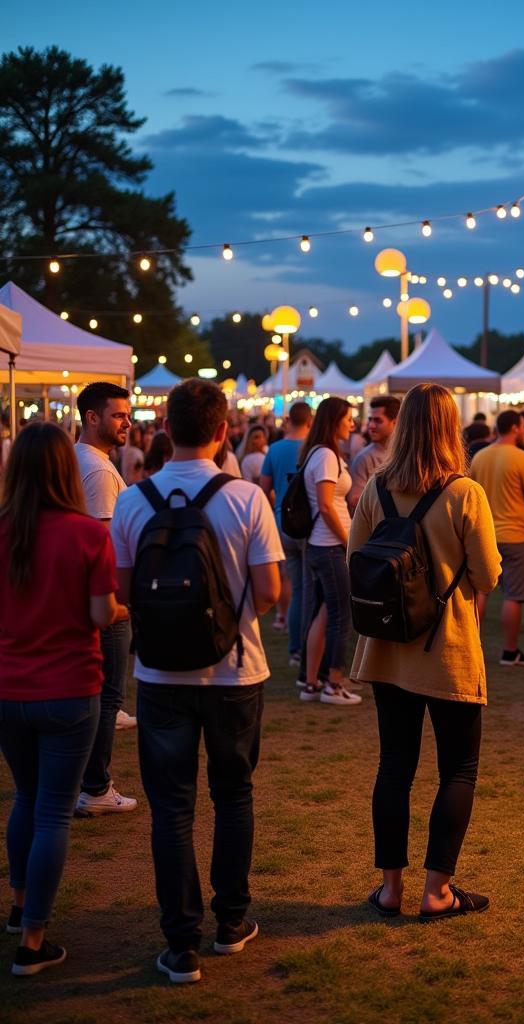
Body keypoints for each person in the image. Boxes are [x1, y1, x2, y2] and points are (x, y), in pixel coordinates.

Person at [110, 378, 282, 985]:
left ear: (164, 429)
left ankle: (180, 944)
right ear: (222, 430)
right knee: (233, 796)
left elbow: (123, 592)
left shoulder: (132, 501)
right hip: (235, 671)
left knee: (171, 809)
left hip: (159, 674)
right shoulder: (245, 498)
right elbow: (268, 592)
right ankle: (232, 922)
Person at [349, 383, 501, 919]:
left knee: (394, 766)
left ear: (404, 425)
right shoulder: (465, 493)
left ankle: (390, 888)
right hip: (448, 648)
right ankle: (437, 891)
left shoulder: (376, 488)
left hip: (389, 649)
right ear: (449, 428)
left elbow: (356, 558)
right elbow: (487, 573)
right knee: (458, 769)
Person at [0, 423, 127, 976]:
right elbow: (102, 614)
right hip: (71, 688)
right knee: (53, 809)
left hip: (9, 689)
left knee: (26, 798)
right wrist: (124, 610)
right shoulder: (86, 533)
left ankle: (19, 905)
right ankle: (33, 941)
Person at [72, 382, 139, 817]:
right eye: (118, 415)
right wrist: (118, 601)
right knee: (107, 696)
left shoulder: (80, 460)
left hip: (88, 596)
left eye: (127, 415)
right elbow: (103, 543)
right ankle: (95, 786)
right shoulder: (97, 470)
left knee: (96, 694)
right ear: (92, 417)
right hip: (106, 599)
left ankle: (85, 780)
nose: (127, 423)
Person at [297, 397, 361, 705]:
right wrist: (347, 541)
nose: (352, 423)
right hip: (330, 546)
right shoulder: (324, 456)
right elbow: (325, 504)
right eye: (348, 418)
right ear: (334, 420)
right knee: (340, 616)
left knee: (323, 614)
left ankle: (311, 682)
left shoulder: (320, 453)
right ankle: (332, 684)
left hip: (322, 545)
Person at [469, 409, 524, 666]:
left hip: (484, 533)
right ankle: (510, 652)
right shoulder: (523, 458)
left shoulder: (479, 456)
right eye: (522, 427)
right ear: (513, 428)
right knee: (514, 594)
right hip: (516, 535)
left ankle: (470, 647)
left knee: (480, 592)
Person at [260, 402, 312, 665]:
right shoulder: (314, 449)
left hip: (282, 521)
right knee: (308, 589)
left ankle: (295, 649)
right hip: (308, 524)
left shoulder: (275, 448)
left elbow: (264, 487)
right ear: (309, 420)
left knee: (294, 585)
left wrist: (279, 501)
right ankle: (305, 647)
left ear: (289, 419)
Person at [348, 394, 400, 513]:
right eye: (370, 419)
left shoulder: (406, 454)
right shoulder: (364, 458)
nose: (371, 426)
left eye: (377, 420)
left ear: (395, 422)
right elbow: (355, 501)